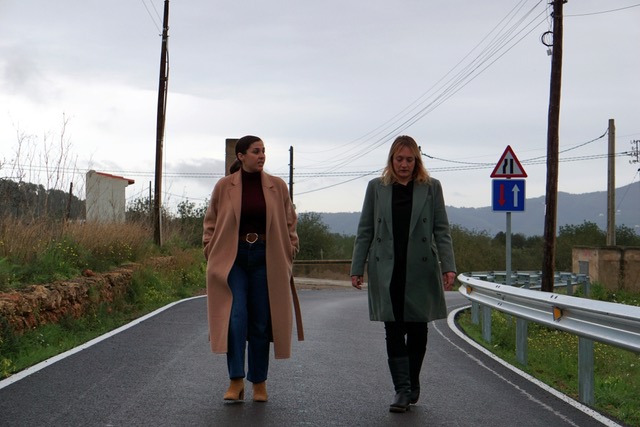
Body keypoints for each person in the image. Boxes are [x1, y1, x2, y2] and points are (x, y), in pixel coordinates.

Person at [350, 135, 456, 413]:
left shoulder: (431, 188)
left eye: (410, 160)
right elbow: (365, 230)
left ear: (417, 161)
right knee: (393, 327)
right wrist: (356, 267)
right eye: (399, 159)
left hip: (420, 268)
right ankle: (402, 389)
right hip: (386, 267)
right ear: (391, 160)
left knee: (418, 328)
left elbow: (442, 230)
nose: (404, 165)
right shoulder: (377, 188)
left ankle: (411, 381)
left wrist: (449, 266)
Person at [203, 135, 303, 403]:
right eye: (256, 151)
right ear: (241, 156)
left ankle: (259, 383)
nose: (261, 156)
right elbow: (210, 221)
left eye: (264, 151)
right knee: (236, 317)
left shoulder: (277, 186)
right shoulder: (224, 187)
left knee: (260, 321)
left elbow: (290, 222)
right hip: (231, 258)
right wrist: (209, 249)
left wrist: (290, 250)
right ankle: (236, 380)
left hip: (265, 256)